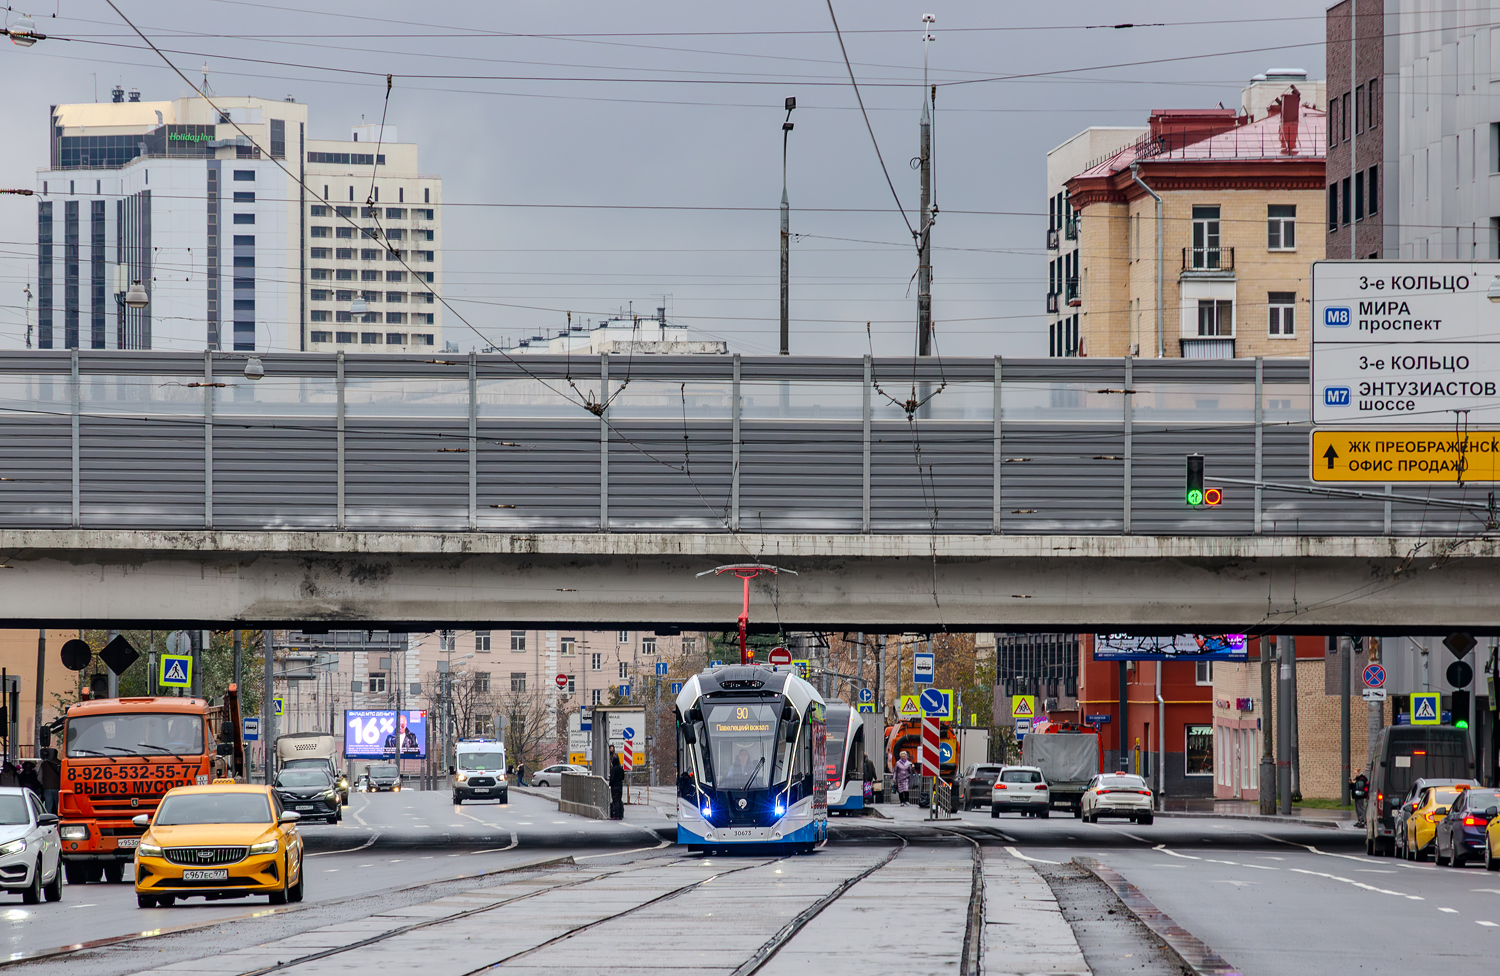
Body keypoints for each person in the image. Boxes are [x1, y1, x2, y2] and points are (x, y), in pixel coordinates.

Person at [39, 749, 60, 814]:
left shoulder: (44, 764)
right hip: (59, 788)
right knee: (59, 806)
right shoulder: (60, 763)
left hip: (47, 788)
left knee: (48, 807)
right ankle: (59, 818)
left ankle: (48, 819)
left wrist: (44, 783)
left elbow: (39, 777)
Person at [608, 745, 625, 820]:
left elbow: (612, 778)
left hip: (614, 786)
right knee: (619, 799)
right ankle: (621, 814)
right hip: (620, 786)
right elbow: (623, 777)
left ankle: (616, 814)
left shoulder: (613, 770)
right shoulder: (621, 769)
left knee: (615, 800)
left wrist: (610, 784)